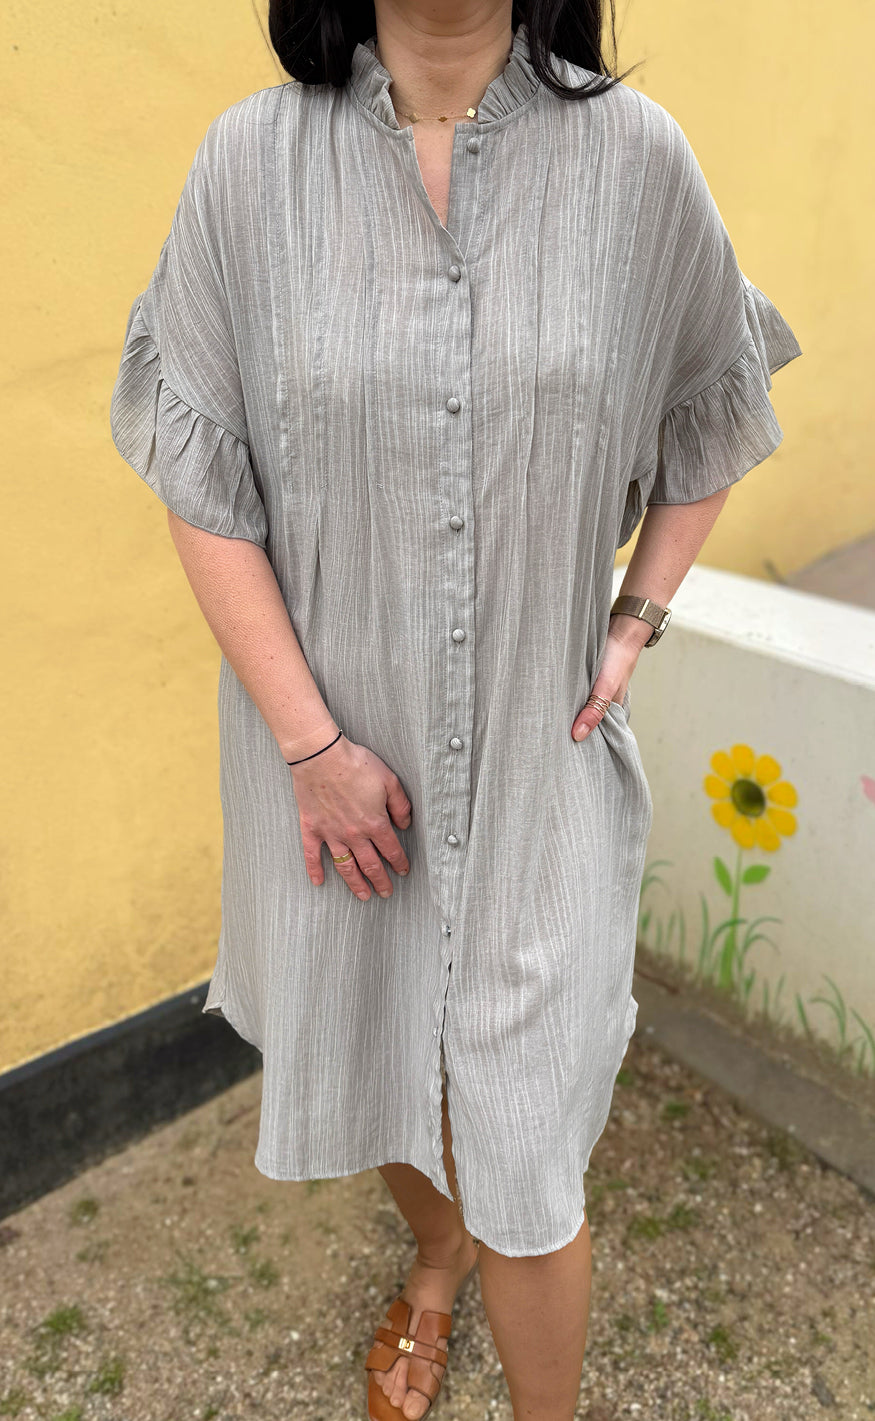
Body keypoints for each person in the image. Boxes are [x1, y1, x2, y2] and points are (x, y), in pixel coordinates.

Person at [109, 2, 802, 1417]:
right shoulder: (249, 168)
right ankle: (436, 1259)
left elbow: (716, 392)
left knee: (529, 1147)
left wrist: (639, 612)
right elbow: (201, 477)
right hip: (333, 764)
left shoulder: (636, 160)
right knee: (383, 1055)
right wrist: (311, 745)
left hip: (542, 763)